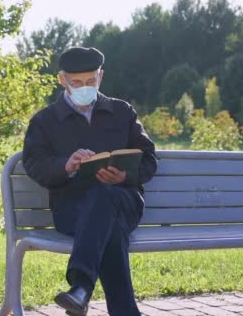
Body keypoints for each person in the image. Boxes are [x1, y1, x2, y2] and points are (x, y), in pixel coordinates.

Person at [22, 47, 158, 316]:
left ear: (101, 76)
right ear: (63, 81)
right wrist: (66, 164)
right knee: (110, 229)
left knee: (105, 196)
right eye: (77, 83)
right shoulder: (44, 121)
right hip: (72, 209)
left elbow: (149, 159)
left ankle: (81, 287)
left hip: (124, 202)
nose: (85, 87)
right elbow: (35, 164)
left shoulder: (122, 112)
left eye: (91, 81)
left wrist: (125, 176)